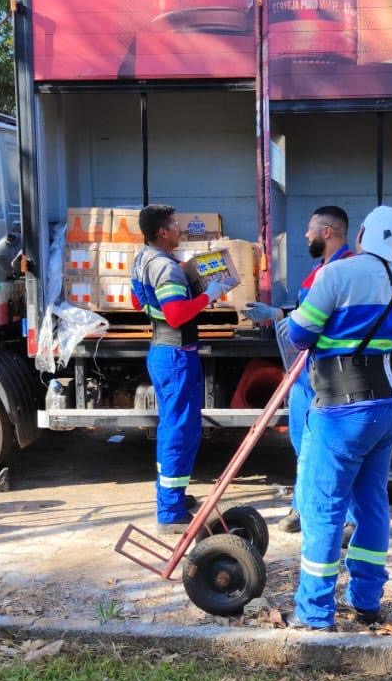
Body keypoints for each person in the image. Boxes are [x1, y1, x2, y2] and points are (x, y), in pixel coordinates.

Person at [284, 206, 392, 630]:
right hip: (390, 408)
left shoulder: (337, 275)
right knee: (372, 504)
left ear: (361, 233)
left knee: (323, 509)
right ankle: (366, 602)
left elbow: (298, 335)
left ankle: (314, 614)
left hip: (339, 410)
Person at [244, 206, 352, 532]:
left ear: (327, 232)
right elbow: (310, 311)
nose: (306, 235)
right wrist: (279, 312)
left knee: (331, 451)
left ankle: (345, 520)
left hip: (327, 376)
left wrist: (281, 318)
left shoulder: (345, 270)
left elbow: (330, 321)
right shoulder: (321, 268)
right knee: (302, 446)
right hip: (305, 374)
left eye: (310, 229)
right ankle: (302, 508)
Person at [130, 204, 229, 533]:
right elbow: (175, 316)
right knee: (180, 431)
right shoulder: (166, 269)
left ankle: (170, 496)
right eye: (175, 225)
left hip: (162, 351)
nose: (179, 229)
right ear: (162, 232)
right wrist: (208, 296)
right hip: (176, 355)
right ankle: (171, 513)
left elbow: (136, 301)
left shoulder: (144, 258)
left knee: (171, 427)